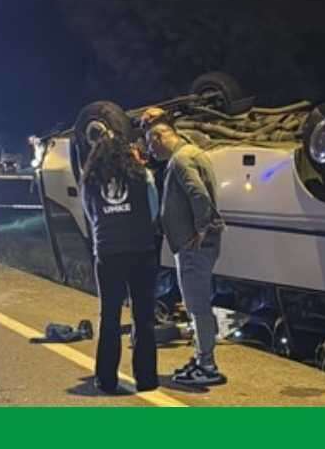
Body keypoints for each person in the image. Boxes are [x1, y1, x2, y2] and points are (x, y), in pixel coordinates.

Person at [81, 123, 160, 394]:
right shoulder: (142, 175)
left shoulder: (90, 180)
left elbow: (90, 214)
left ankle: (106, 379)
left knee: (110, 316)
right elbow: (153, 209)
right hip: (141, 250)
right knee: (144, 316)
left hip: (108, 253)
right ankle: (147, 379)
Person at [147, 121, 227, 386]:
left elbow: (198, 193)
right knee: (199, 302)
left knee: (196, 305)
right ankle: (201, 358)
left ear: (159, 137)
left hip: (193, 247)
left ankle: (206, 365)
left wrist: (203, 228)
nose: (150, 151)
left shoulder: (180, 160)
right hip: (198, 245)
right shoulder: (195, 153)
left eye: (150, 143)